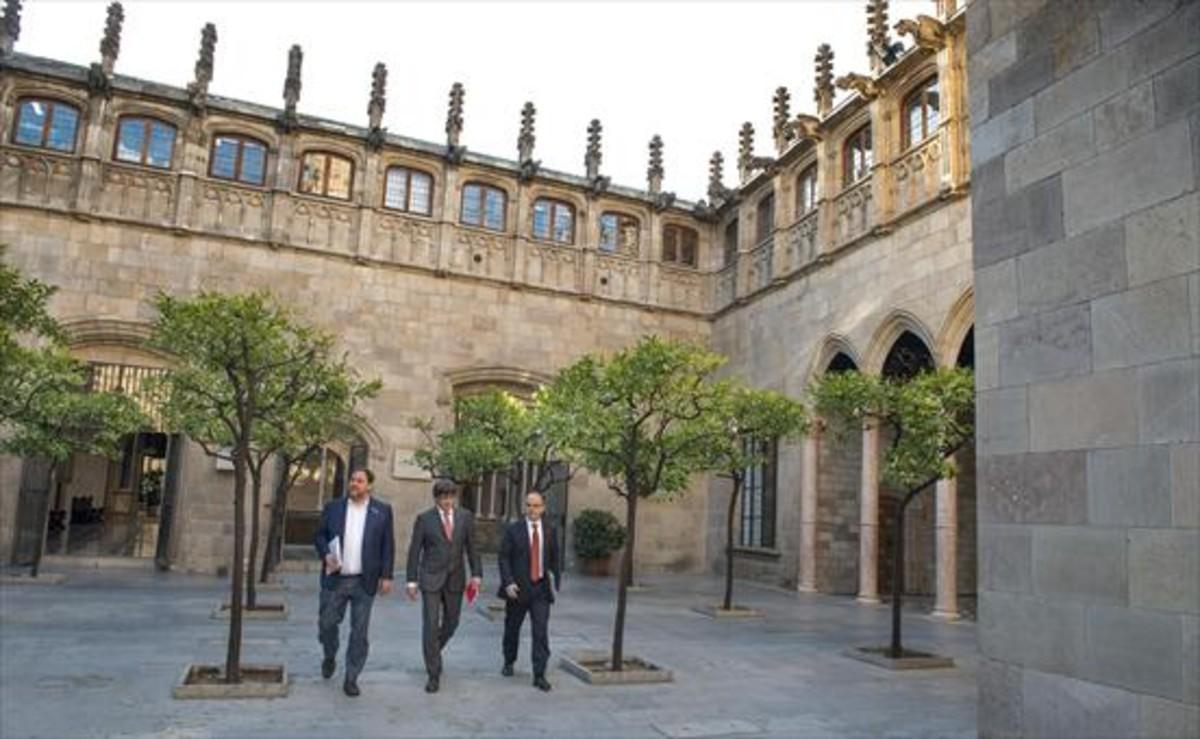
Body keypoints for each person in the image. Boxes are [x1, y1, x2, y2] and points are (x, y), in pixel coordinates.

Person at [314, 468, 395, 697]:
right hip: (335, 579)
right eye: (352, 480)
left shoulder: (382, 511)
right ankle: (330, 655)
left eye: (359, 481)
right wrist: (325, 555)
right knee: (327, 624)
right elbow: (319, 535)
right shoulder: (333, 508)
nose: (354, 484)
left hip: (364, 581)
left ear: (369, 485)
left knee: (359, 633)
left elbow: (387, 545)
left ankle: (351, 677)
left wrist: (386, 576)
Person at [405, 478, 482, 693]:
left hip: (456, 579)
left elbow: (472, 548)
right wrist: (411, 580)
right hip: (430, 578)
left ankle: (432, 651)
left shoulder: (465, 517)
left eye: (451, 496)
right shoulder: (424, 519)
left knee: (452, 622)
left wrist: (477, 574)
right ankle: (433, 673)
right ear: (436, 498)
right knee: (430, 624)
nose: (448, 501)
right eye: (443, 497)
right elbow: (414, 551)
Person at [497, 491, 562, 692]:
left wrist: (554, 576)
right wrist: (508, 582)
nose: (532, 509)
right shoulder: (513, 530)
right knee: (512, 629)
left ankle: (539, 674)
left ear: (543, 508)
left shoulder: (550, 530)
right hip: (517, 589)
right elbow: (504, 557)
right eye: (528, 505)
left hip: (540, 589)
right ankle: (509, 660)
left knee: (540, 632)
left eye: (536, 505)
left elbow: (555, 556)